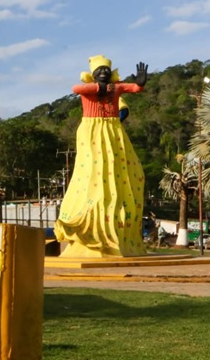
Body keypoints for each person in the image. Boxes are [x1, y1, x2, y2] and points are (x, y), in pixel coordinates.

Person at [54, 55, 148, 257]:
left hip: (113, 129)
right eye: (99, 71)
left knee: (125, 169)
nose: (103, 72)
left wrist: (140, 83)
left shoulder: (117, 88)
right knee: (93, 170)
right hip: (92, 130)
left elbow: (134, 88)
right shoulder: (92, 89)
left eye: (106, 70)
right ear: (93, 75)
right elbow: (76, 89)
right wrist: (99, 88)